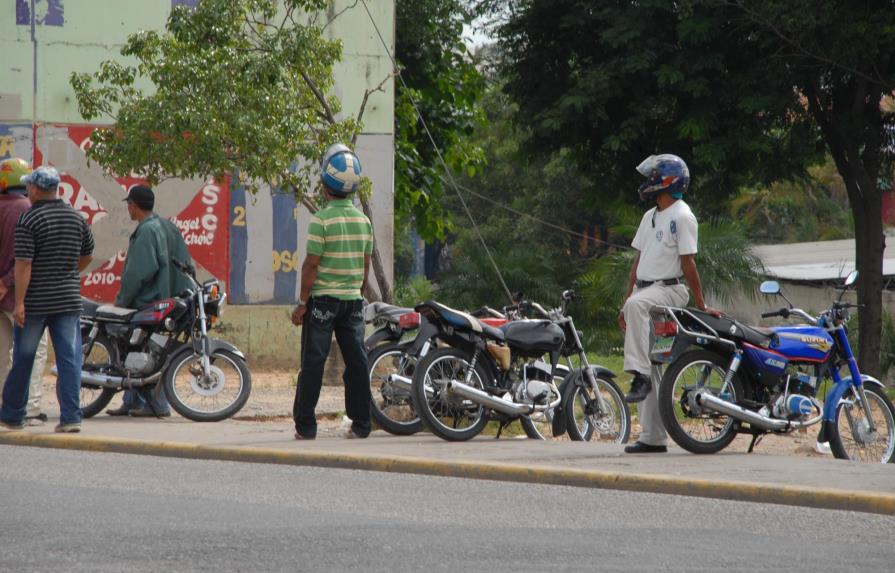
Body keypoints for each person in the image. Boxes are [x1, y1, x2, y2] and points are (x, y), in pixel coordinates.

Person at [618, 154, 719, 454]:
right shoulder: (650, 216)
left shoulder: (683, 216)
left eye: (654, 177)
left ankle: (637, 375)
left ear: (668, 182)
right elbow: (638, 262)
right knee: (652, 365)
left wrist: (701, 303)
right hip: (645, 293)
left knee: (643, 369)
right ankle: (653, 437)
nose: (649, 182)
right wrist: (627, 300)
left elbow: (688, 264)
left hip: (670, 291)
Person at [0, 166, 94, 433]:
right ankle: (71, 418)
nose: (27, 191)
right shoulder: (76, 217)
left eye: (30, 187)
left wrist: (19, 303)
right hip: (68, 301)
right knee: (69, 359)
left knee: (24, 357)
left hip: (36, 303)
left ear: (37, 190)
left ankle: (13, 415)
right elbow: (87, 254)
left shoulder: (29, 220)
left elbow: (23, 265)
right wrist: (68, 271)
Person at [291, 143, 373, 440]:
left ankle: (306, 427)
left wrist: (302, 303)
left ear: (325, 184)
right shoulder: (364, 222)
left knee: (313, 362)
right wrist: (357, 292)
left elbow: (311, 266)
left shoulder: (321, 220)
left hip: (323, 302)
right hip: (352, 302)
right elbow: (365, 267)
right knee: (358, 362)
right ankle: (362, 425)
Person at [105, 185, 192, 418]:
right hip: (171, 303)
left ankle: (157, 405)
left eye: (129, 205)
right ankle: (131, 401)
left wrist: (123, 300)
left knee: (142, 350)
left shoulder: (145, 231)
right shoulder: (168, 226)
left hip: (149, 303)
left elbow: (138, 272)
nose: (128, 209)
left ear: (133, 205)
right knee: (146, 350)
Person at [0, 158, 50, 426]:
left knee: (1, 353)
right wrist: (7, 281)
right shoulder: (27, 210)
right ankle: (29, 408)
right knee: (33, 351)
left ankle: (4, 405)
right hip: (20, 297)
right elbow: (26, 258)